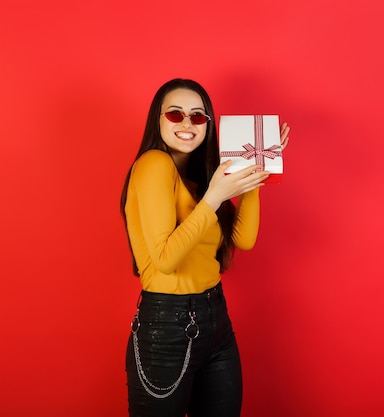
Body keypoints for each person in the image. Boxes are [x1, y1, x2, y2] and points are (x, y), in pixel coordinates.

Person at [120, 78, 290, 417]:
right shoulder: (153, 164)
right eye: (175, 114)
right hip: (166, 326)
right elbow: (166, 260)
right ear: (158, 119)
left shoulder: (200, 178)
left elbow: (243, 239)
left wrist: (253, 175)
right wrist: (214, 197)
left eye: (198, 116)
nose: (187, 123)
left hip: (216, 319)